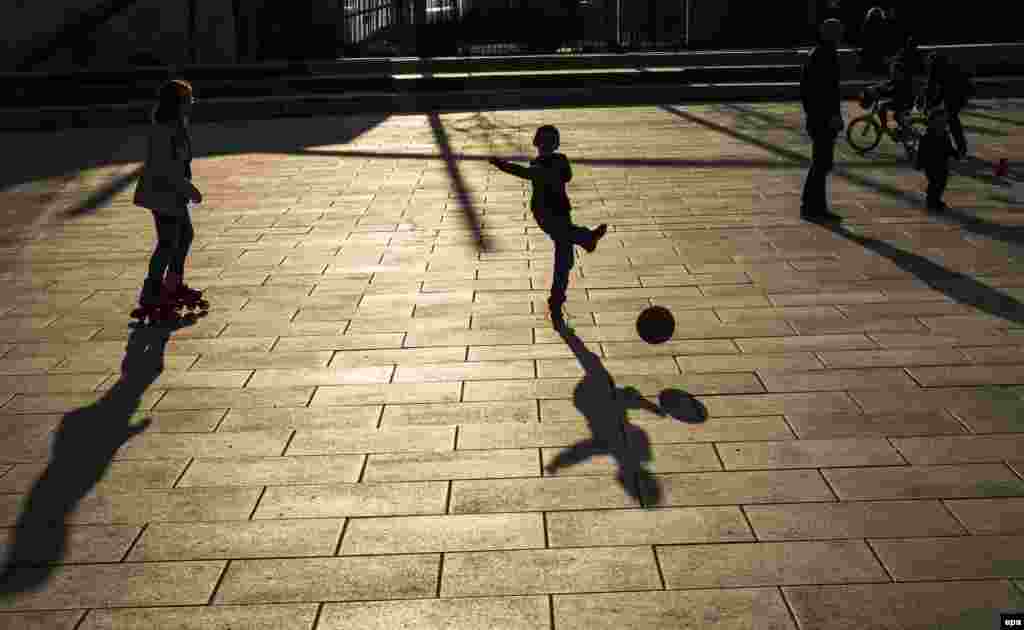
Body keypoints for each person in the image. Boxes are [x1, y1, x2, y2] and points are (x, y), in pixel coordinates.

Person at [489, 125, 608, 330]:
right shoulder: (540, 164)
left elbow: (565, 176)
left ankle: (556, 301)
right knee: (565, 247)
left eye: (550, 142)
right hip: (545, 214)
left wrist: (551, 167)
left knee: (565, 260)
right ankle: (586, 238)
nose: (546, 146)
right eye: (544, 142)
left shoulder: (557, 161)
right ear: (537, 143)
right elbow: (525, 172)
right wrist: (504, 165)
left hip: (561, 213)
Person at [132, 79, 204, 314]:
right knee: (167, 242)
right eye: (187, 101)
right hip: (162, 193)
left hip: (173, 194)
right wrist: (188, 188)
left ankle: (172, 285)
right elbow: (166, 168)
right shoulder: (164, 131)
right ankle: (151, 291)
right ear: (176, 104)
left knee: (184, 236)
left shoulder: (177, 126)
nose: (190, 105)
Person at [800, 18, 845, 222]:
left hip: (819, 117)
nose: (840, 35)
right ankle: (812, 207)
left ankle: (815, 205)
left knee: (822, 163)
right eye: (836, 31)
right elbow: (824, 91)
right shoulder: (824, 55)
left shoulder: (821, 53)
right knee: (821, 163)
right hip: (823, 119)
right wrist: (832, 116)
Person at [925, 53, 973, 159]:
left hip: (958, 93)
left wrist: (929, 104)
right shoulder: (945, 66)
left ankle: (959, 149)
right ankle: (959, 148)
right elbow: (941, 89)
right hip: (958, 91)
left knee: (951, 120)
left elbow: (932, 88)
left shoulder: (936, 68)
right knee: (950, 120)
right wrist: (933, 103)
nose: (927, 66)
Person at [916, 106, 959, 212]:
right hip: (930, 165)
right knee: (936, 182)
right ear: (931, 123)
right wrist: (919, 163)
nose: (942, 125)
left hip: (943, 164)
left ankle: (935, 198)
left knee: (941, 183)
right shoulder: (927, 137)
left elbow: (949, 148)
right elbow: (921, 151)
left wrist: (956, 154)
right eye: (939, 122)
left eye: (944, 122)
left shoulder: (945, 135)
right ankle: (932, 201)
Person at [875, 60, 915, 138]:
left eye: (893, 69)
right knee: (893, 114)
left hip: (905, 102)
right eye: (891, 69)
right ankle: (902, 130)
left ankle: (885, 127)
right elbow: (889, 83)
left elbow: (892, 91)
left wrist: (881, 93)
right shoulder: (898, 76)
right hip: (901, 100)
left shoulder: (901, 78)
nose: (891, 71)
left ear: (898, 70)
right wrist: (878, 87)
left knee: (883, 107)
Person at [858, 7, 889, 74]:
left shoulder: (868, 24)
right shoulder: (881, 24)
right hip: (874, 48)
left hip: (875, 48)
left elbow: (863, 37)